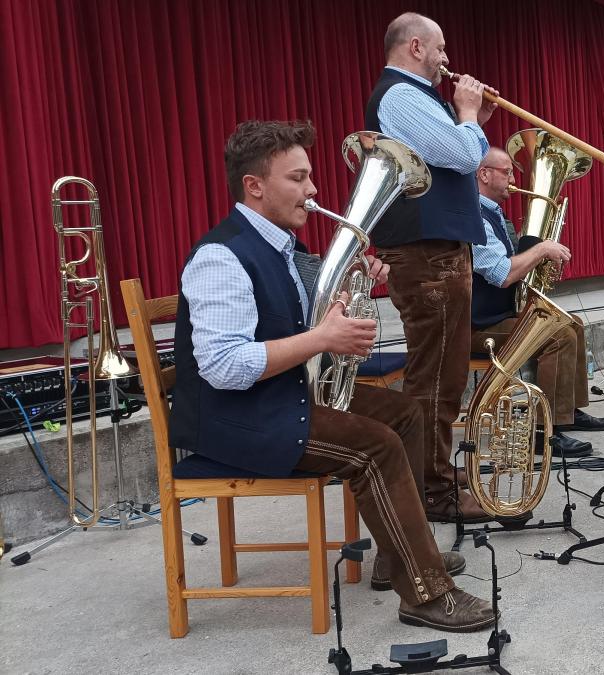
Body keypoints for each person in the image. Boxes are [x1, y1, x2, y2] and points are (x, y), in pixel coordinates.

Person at [171, 120, 494, 632]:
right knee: (375, 445)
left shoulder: (279, 246)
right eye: (298, 179)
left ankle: (401, 554)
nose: (313, 189)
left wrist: (347, 289)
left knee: (407, 414)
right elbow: (223, 366)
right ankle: (427, 595)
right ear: (255, 186)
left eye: (310, 177)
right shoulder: (220, 258)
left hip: (278, 398)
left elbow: (297, 321)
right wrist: (323, 339)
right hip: (236, 420)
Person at [363, 12, 496, 524]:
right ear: (416, 46)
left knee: (445, 372)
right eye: (441, 49)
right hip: (427, 255)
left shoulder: (417, 98)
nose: (447, 59)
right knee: (437, 376)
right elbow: (464, 158)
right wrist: (466, 113)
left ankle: (431, 468)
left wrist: (469, 121)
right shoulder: (401, 97)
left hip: (437, 251)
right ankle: (431, 492)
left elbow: (457, 151)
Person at [470, 147, 604, 458]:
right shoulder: (475, 217)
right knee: (557, 334)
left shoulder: (492, 213)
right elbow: (503, 274)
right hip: (478, 326)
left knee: (571, 322)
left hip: (497, 314)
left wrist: (541, 260)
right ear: (484, 174)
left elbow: (511, 266)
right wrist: (541, 250)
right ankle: (544, 430)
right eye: (507, 172)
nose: (513, 179)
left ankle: (568, 412)